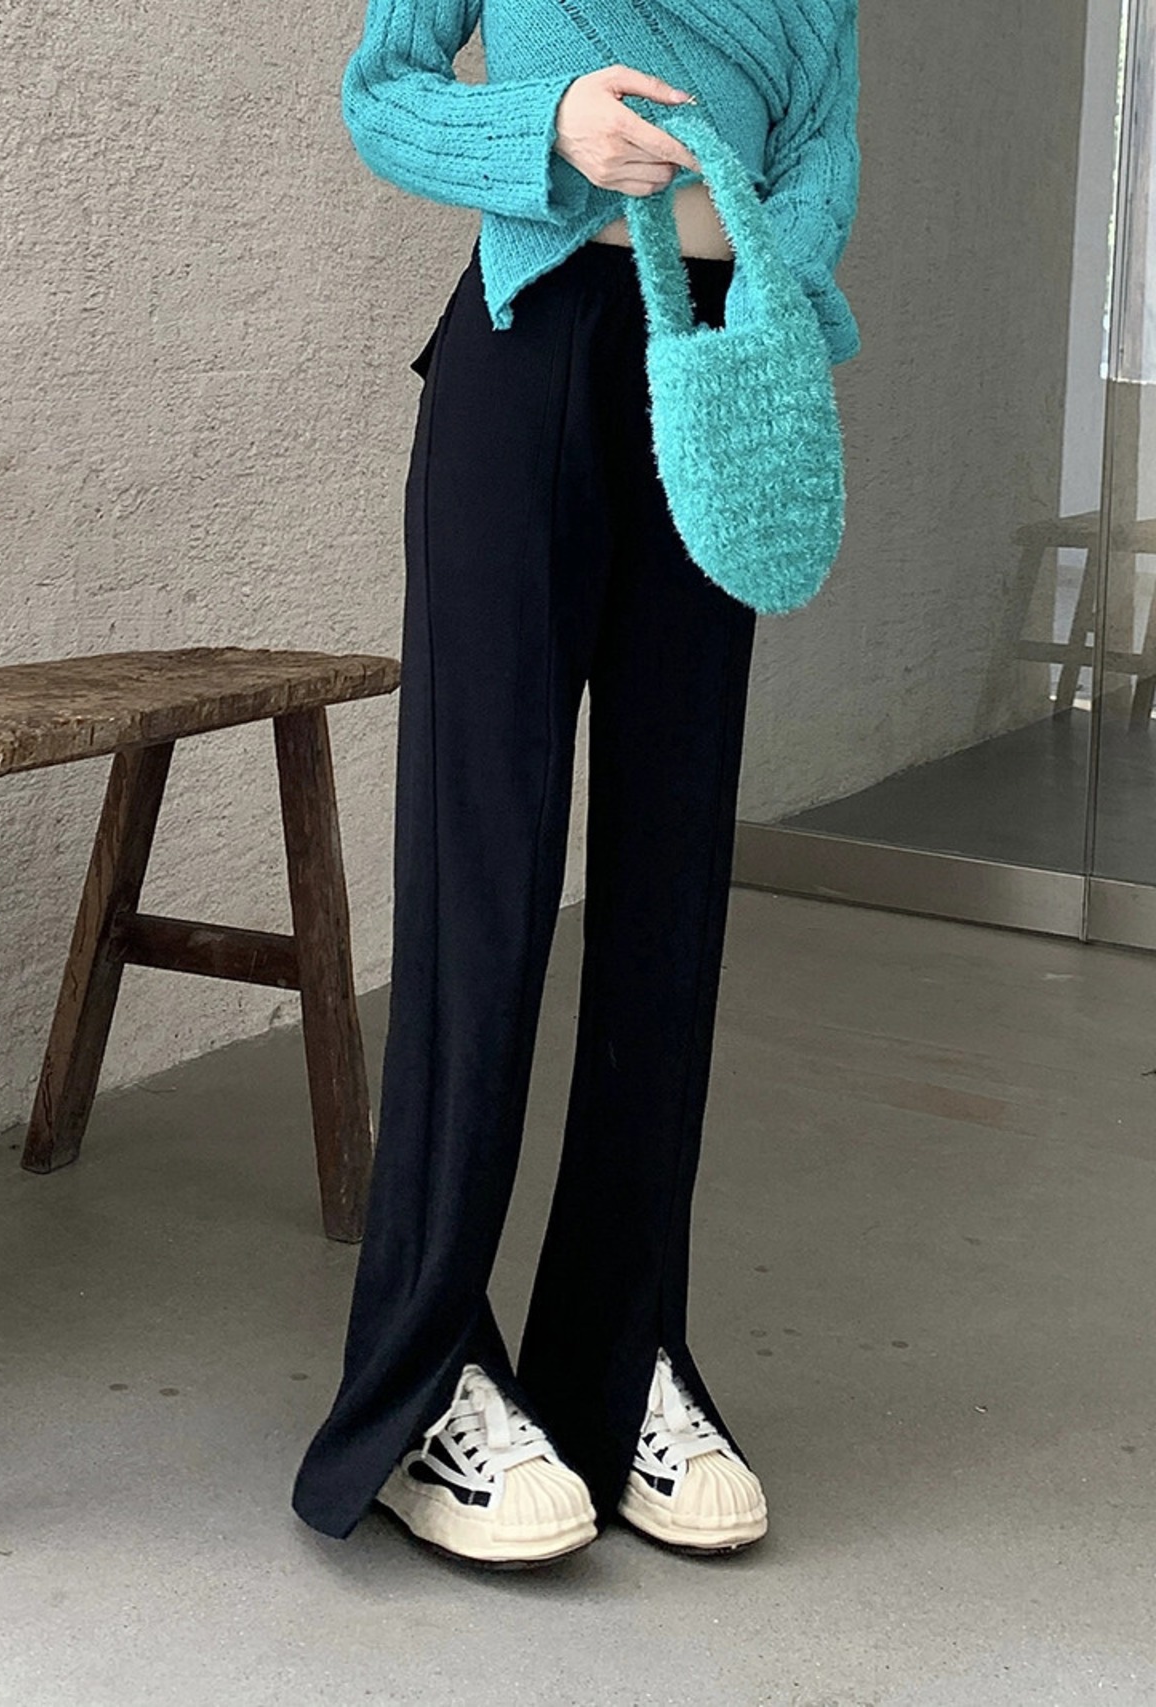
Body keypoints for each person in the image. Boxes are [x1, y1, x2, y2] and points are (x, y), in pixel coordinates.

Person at [292, 0, 861, 1568]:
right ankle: (421, 1386)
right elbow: (385, 92)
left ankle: (623, 1363)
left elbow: (826, 142)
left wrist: (759, 264)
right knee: (482, 884)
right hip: (528, 348)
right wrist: (544, 129)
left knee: (671, 885)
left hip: (723, 374)